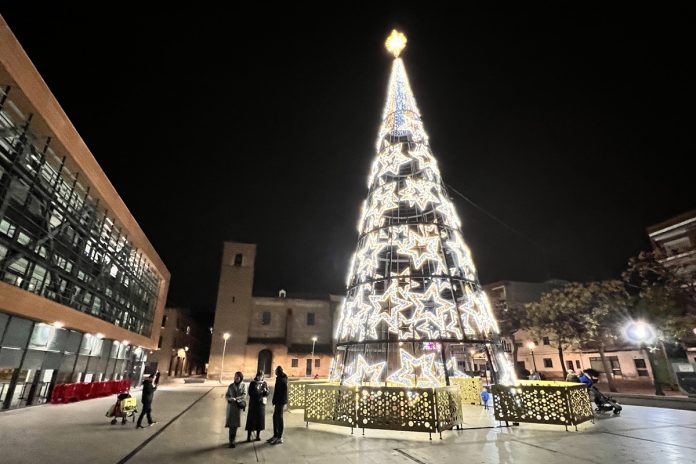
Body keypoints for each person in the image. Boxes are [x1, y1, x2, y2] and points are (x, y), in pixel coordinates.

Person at [225, 371, 247, 448]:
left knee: (236, 425)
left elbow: (244, 395)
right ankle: (231, 441)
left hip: (238, 408)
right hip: (231, 408)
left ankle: (233, 439)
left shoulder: (243, 385)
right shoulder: (231, 386)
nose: (236, 378)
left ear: (240, 378)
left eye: (237, 377)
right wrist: (230, 399)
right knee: (231, 425)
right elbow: (227, 395)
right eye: (235, 376)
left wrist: (236, 399)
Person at [245, 370, 268, 442]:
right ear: (257, 376)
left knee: (259, 420)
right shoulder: (253, 383)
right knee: (251, 420)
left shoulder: (264, 383)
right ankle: (248, 436)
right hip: (253, 404)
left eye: (261, 376)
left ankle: (258, 435)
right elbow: (250, 393)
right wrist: (259, 392)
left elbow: (267, 392)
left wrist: (266, 392)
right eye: (259, 376)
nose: (260, 378)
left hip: (261, 405)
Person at [268, 365, 288, 445]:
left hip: (280, 402)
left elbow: (281, 392)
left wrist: (278, 400)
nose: (274, 372)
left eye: (275, 370)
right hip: (278, 401)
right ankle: (275, 435)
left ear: (278, 371)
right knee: (275, 417)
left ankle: (279, 437)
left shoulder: (282, 380)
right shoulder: (280, 378)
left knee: (279, 418)